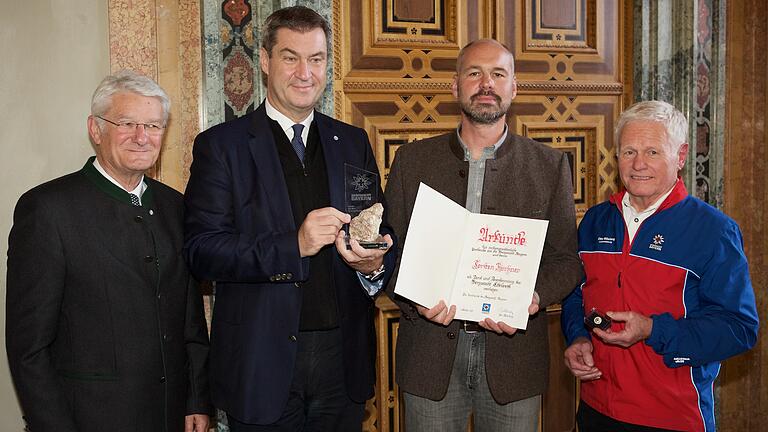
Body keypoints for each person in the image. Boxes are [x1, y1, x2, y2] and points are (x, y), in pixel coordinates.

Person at [183, 5, 396, 431]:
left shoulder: (352, 142)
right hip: (261, 365)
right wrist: (292, 246)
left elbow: (380, 229)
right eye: (290, 57)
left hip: (343, 363)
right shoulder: (222, 147)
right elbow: (201, 252)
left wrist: (374, 263)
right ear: (265, 61)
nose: (305, 72)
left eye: (316, 59)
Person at [384, 39, 583, 431]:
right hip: (429, 353)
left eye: (498, 74)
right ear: (455, 85)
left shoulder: (550, 166)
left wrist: (533, 296)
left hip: (514, 359)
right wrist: (416, 298)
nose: (486, 83)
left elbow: (566, 261)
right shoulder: (412, 162)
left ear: (514, 87)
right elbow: (390, 254)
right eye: (474, 73)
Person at [5, 70, 211, 432]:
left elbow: (189, 318)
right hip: (88, 418)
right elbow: (28, 348)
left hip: (170, 415)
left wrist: (196, 397)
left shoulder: (177, 208)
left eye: (153, 125)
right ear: (95, 129)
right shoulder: (48, 210)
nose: (141, 137)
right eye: (127, 123)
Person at [561, 100, 759, 431]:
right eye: (628, 152)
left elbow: (739, 329)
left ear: (680, 156)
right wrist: (578, 337)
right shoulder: (595, 221)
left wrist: (654, 330)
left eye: (652, 152)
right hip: (597, 408)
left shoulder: (714, 231)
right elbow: (576, 293)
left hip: (671, 416)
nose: (638, 164)